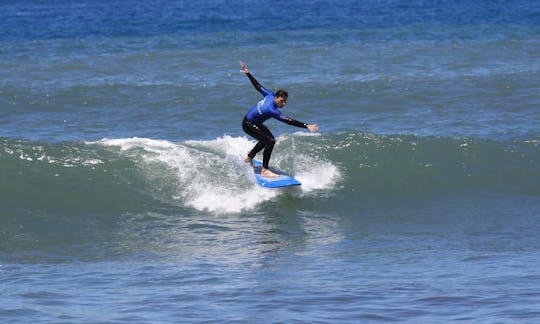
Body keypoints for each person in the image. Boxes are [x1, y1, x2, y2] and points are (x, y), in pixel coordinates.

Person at [240, 62, 319, 178]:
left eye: (285, 101)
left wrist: (248, 73)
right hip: (248, 124)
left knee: (266, 139)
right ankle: (265, 170)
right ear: (276, 98)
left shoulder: (269, 95)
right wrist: (306, 125)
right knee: (270, 141)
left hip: (254, 122)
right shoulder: (272, 110)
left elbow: (258, 86)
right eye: (282, 101)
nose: (284, 103)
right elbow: (288, 121)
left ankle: (249, 156)